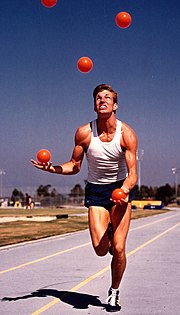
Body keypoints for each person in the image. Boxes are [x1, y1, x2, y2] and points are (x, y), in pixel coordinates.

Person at [31, 84, 138, 312]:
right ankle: (109, 231)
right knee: (101, 250)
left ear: (115, 105)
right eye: (98, 98)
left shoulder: (126, 134)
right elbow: (75, 166)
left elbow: (133, 175)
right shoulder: (84, 133)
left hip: (120, 190)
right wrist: (53, 169)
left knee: (119, 248)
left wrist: (125, 190)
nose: (102, 100)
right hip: (96, 191)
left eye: (107, 97)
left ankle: (114, 292)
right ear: (94, 104)